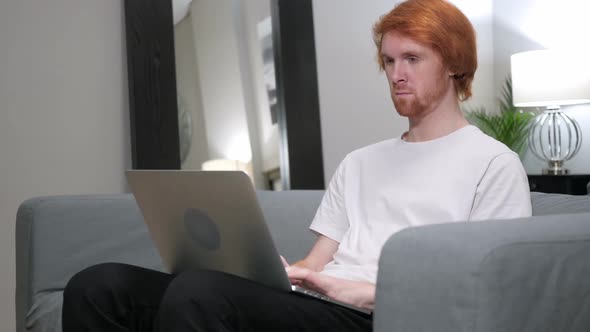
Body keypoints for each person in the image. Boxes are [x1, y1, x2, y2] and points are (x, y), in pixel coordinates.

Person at [62, 0, 532, 331]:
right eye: (389, 61)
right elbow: (317, 261)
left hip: (377, 317)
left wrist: (359, 291)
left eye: (412, 58)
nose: (396, 74)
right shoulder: (360, 162)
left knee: (199, 295)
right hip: (320, 306)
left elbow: (486, 289)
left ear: (453, 64)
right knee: (99, 285)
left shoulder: (492, 164)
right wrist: (284, 272)